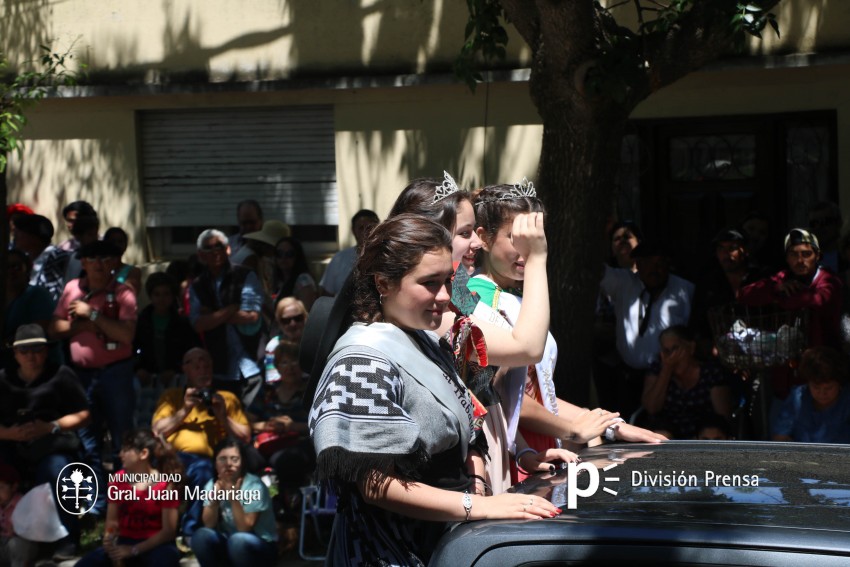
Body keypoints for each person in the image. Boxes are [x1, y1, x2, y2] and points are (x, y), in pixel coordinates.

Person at [310, 214, 561, 566]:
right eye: (429, 283)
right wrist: (478, 506)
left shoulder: (427, 341)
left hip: (447, 540)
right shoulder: (360, 361)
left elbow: (469, 429)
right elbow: (375, 483)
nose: (445, 296)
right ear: (383, 282)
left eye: (447, 280)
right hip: (388, 551)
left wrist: (477, 485)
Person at [471, 183, 664, 484]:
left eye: (534, 237)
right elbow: (499, 398)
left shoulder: (516, 295)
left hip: (544, 443)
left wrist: (606, 423)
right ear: (483, 238)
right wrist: (574, 428)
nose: (527, 247)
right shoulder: (478, 300)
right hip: (513, 448)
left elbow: (534, 393)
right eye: (515, 237)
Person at [50, 239, 137, 515]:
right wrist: (84, 325)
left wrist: (93, 314)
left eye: (105, 259)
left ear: (113, 263)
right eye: (93, 259)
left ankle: (123, 502)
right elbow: (54, 329)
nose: (99, 265)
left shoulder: (124, 292)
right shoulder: (71, 289)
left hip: (116, 374)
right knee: (88, 442)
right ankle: (96, 505)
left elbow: (125, 335)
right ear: (83, 263)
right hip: (81, 376)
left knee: (122, 440)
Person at [0, 324, 89, 559]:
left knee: (56, 470)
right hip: (10, 443)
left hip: (52, 443)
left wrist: (51, 426)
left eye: (37, 350)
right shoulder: (3, 379)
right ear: (15, 354)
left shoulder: (61, 374)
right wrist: (9, 433)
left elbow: (84, 414)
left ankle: (68, 539)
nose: (31, 356)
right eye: (25, 351)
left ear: (46, 351)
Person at [151, 348, 251, 539]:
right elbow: (156, 431)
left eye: (206, 364)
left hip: (210, 461)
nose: (203, 368)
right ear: (185, 370)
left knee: (203, 468)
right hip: (173, 458)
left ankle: (191, 531)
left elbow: (245, 437)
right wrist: (185, 410)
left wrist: (222, 416)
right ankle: (160, 530)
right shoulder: (172, 397)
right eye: (196, 365)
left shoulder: (226, 398)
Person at [738, 228, 844, 399]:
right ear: (787, 258)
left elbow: (819, 300)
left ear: (817, 256)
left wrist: (781, 298)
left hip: (823, 374)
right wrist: (776, 288)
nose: (800, 260)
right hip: (787, 376)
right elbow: (744, 294)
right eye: (794, 254)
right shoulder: (783, 277)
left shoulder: (830, 280)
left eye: (806, 254)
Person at [600, 240, 695, 418]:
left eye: (660, 263)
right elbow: (596, 271)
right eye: (647, 263)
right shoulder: (623, 282)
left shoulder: (685, 290)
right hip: (628, 377)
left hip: (668, 377)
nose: (654, 269)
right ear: (637, 264)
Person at [76, 429, 183, 567]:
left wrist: (134, 550)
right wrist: (109, 541)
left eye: (126, 450)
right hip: (124, 541)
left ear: (143, 454)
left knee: (163, 561)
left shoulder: (166, 484)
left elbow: (168, 532)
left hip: (156, 545)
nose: (120, 455)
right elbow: (112, 524)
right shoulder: (118, 479)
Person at [189, 229, 265, 407]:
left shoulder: (246, 275)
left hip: (251, 365)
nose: (215, 251)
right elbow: (197, 324)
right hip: (219, 369)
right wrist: (231, 308)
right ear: (201, 255)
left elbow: (251, 315)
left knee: (252, 422)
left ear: (228, 249)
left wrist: (212, 315)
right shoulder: (198, 285)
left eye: (219, 246)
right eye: (209, 248)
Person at [190, 438, 277, 567]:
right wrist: (214, 500)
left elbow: (244, 528)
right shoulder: (212, 484)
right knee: (200, 536)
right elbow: (208, 524)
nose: (228, 464)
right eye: (222, 459)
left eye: (234, 459)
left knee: (238, 540)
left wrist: (232, 497)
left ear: (242, 462)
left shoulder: (254, 485)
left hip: (259, 545)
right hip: (229, 543)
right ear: (215, 463)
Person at [640, 326, 734, 440]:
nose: (671, 356)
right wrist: (666, 370)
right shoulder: (657, 369)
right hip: (668, 432)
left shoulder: (711, 372)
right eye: (666, 351)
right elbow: (651, 408)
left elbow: (723, 418)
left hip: (703, 435)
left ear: (691, 347)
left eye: (675, 349)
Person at [133, 272, 199, 428]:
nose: (161, 299)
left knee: (172, 414)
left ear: (172, 296)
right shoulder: (142, 320)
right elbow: (133, 348)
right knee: (145, 417)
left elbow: (189, 350)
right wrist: (139, 368)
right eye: (157, 294)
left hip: (174, 378)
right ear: (150, 295)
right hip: (147, 378)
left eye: (166, 294)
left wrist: (175, 369)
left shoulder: (182, 322)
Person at [772, 346, 850, 443]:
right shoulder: (798, 398)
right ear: (808, 383)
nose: (822, 393)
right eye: (816, 387)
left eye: (829, 388)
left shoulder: (847, 401)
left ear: (840, 384)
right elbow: (780, 437)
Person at [3, 249, 59, 371]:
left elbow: (38, 331)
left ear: (27, 270)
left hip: (38, 368)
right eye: (6, 267)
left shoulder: (37, 295)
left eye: (16, 267)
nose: (11, 271)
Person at [319, 209, 379, 297]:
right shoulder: (339, 259)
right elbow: (326, 295)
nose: (366, 232)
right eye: (361, 228)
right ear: (353, 231)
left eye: (370, 227)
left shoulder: (388, 257)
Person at [13, 214, 69, 303]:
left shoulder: (57, 257)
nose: (14, 237)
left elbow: (52, 295)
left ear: (34, 237)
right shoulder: (25, 258)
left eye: (18, 233)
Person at [0, 463, 38, 567]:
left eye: (1, 488)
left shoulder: (22, 503)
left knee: (17, 544)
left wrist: (19, 529)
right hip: (4, 544)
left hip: (22, 545)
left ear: (14, 487)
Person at [262, 297, 308, 384]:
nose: (293, 324)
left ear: (305, 317)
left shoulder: (316, 342)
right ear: (279, 323)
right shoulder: (273, 346)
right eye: (286, 321)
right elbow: (273, 382)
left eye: (298, 318)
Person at [272, 237, 317, 311]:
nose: (284, 258)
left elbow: (306, 312)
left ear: (297, 257)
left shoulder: (304, 279)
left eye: (290, 254)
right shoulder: (279, 281)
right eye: (279, 253)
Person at [807, 201, 844, 275]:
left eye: (826, 221)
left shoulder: (845, 257)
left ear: (838, 223)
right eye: (814, 223)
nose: (819, 227)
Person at [103, 227, 143, 294]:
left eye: (120, 241)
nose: (116, 245)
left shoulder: (133, 271)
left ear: (126, 245)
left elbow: (129, 294)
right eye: (112, 241)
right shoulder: (99, 269)